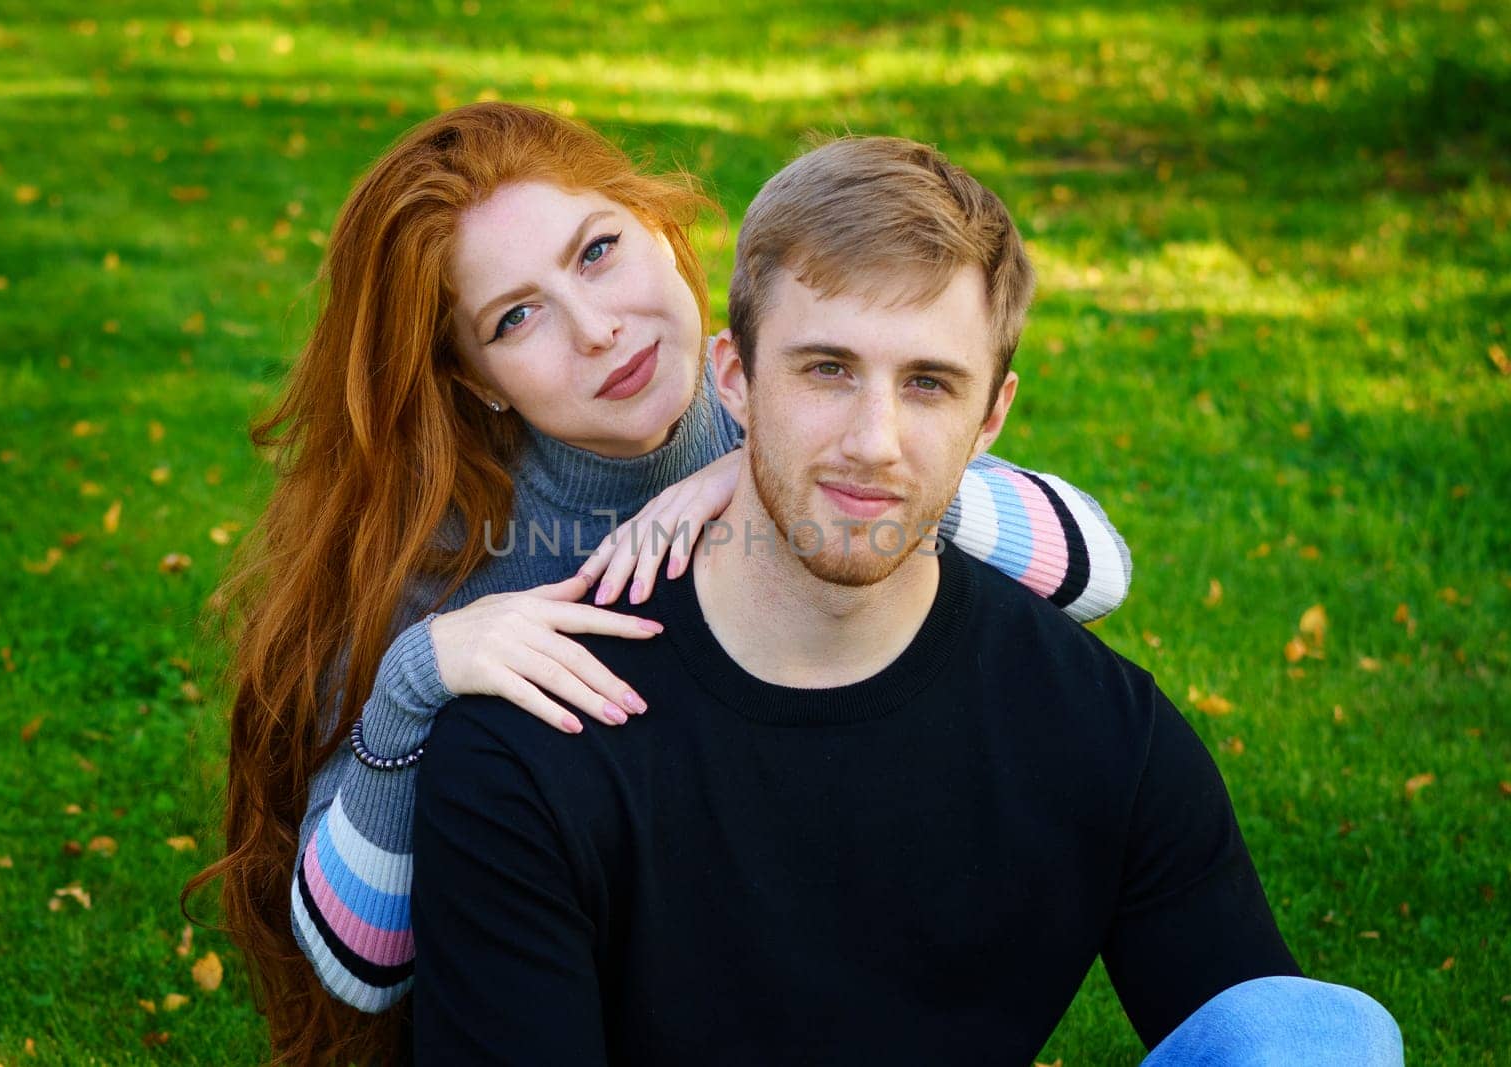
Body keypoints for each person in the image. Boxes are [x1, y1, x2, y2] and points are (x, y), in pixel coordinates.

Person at [409, 136, 1404, 1064]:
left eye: (927, 383)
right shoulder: (531, 742)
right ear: (735, 378)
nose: (872, 442)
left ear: (991, 416)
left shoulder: (1102, 728)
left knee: (1322, 1030)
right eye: (827, 369)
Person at [184, 104, 1134, 1063]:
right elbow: (362, 964)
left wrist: (768, 470)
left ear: (660, 227)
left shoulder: (791, 397)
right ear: (477, 379)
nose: (597, 329)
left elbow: (1094, 568)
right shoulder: (447, 558)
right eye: (516, 317)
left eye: (597, 251)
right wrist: (412, 681)